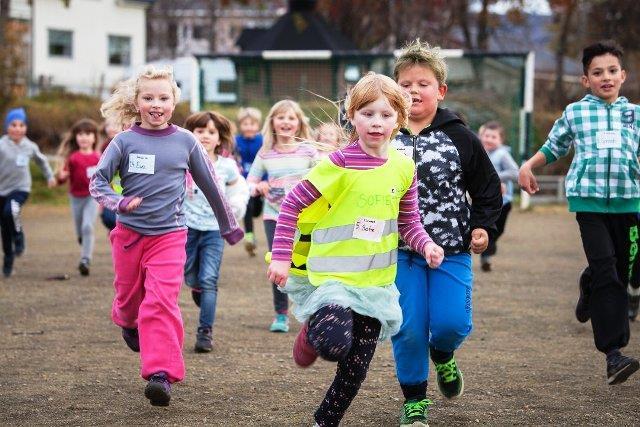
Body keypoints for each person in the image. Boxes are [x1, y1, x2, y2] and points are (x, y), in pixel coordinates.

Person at [267, 72, 444, 427]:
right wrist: (283, 256)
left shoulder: (404, 167)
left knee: (356, 367)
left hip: (375, 283)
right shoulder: (337, 164)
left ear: (399, 119)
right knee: (333, 343)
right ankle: (311, 332)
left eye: (385, 115)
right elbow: (291, 206)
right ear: (351, 115)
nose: (376, 122)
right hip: (332, 280)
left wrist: (427, 245)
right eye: (367, 114)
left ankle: (325, 421)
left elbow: (409, 222)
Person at [89, 65, 243, 406]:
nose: (156, 104)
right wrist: (118, 202)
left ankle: (161, 374)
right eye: (148, 97)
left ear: (175, 101)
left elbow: (212, 186)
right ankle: (127, 321)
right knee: (131, 304)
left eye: (164, 97)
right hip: (129, 235)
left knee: (160, 302)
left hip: (170, 237)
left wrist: (228, 225)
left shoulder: (186, 141)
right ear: (136, 101)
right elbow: (97, 182)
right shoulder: (124, 141)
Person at [390, 40, 502, 426]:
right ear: (394, 90)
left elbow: (488, 189)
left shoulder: (461, 138)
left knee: (452, 324)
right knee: (407, 329)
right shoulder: (382, 137)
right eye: (405, 84)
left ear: (440, 91)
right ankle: (414, 401)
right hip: (398, 251)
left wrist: (484, 227)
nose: (413, 91)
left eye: (423, 83)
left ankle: (444, 355)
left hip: (451, 249)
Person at [519, 40, 640, 385]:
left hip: (628, 202)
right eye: (597, 72)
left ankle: (587, 285)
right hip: (588, 204)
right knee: (608, 275)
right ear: (586, 80)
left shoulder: (635, 114)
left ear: (623, 75)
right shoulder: (576, 113)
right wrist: (529, 165)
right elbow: (553, 146)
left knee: (618, 269)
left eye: (612, 71)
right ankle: (614, 354)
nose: (606, 77)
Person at [246, 99, 317, 333]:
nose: (286, 122)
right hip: (274, 215)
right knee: (278, 263)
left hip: (305, 219)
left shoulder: (309, 150)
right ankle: (281, 314)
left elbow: (322, 179)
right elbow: (250, 182)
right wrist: (260, 187)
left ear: (298, 123)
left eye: (291, 118)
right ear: (273, 122)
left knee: (306, 265)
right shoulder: (265, 153)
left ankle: (311, 310)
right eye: (281, 117)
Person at [183, 110, 248, 353]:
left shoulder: (227, 167)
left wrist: (235, 207)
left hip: (214, 230)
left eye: (211, 132)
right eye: (200, 131)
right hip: (186, 228)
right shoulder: (182, 162)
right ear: (190, 134)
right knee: (190, 276)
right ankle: (196, 288)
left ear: (219, 138)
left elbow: (237, 189)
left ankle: (205, 332)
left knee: (209, 279)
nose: (205, 136)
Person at [0, 107, 56, 277]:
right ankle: (8, 258)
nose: (18, 129)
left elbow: (42, 161)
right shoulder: (1, 145)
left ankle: (19, 236)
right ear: (7, 127)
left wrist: (49, 176)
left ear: (26, 127)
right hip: (2, 190)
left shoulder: (29, 146)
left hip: (21, 188)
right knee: (5, 226)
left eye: (21, 125)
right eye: (13, 125)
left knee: (12, 210)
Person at [54, 119, 101, 276]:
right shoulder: (72, 158)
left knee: (88, 226)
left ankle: (85, 260)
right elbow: (61, 179)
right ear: (75, 137)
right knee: (80, 230)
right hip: (76, 198)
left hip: (92, 197)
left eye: (88, 134)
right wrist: (61, 176)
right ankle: (83, 239)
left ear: (94, 138)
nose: (84, 137)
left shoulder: (99, 158)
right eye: (80, 134)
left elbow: (105, 178)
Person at [478, 120, 519, 272]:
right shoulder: (479, 152)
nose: (489, 139)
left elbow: (515, 172)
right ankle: (486, 255)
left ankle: (488, 249)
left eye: (493, 137)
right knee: (487, 229)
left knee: (498, 230)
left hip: (504, 202)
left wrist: (494, 177)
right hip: (485, 202)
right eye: (486, 136)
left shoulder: (502, 154)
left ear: (501, 140)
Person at [235, 107, 264, 256]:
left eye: (252, 124)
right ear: (240, 125)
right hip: (244, 182)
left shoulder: (262, 141)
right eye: (245, 124)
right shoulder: (236, 141)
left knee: (257, 210)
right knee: (247, 207)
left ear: (257, 125)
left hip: (261, 181)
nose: (249, 127)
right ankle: (249, 237)